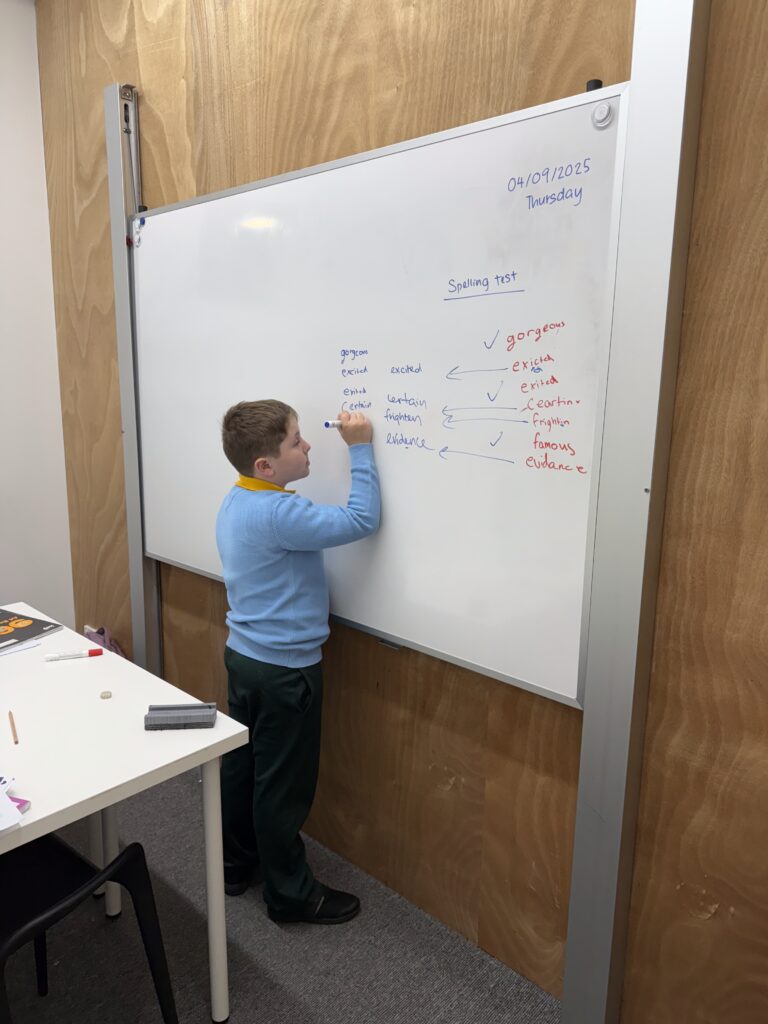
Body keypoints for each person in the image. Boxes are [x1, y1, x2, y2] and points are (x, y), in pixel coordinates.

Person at [215, 399, 380, 924]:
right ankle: (289, 895)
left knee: (244, 768)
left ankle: (236, 865)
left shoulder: (237, 499)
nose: (308, 446)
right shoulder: (281, 512)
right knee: (281, 786)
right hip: (286, 671)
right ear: (266, 466)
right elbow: (362, 518)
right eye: (296, 441)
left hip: (245, 658)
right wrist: (360, 449)